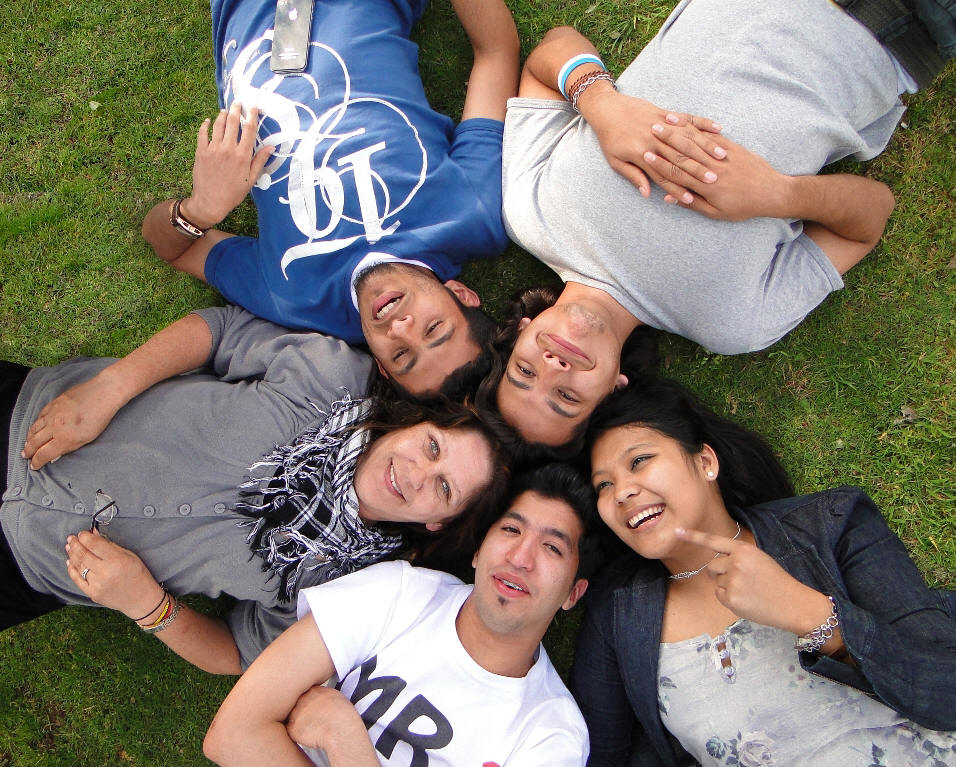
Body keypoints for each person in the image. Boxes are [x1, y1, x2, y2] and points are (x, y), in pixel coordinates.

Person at [492, 0, 956, 446]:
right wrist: (777, 194)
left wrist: (600, 102)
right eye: (567, 398)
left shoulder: (529, 214)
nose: (552, 367)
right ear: (614, 389)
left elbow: (550, 53)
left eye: (524, 372)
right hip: (895, 30)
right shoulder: (733, 325)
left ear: (520, 332)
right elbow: (872, 214)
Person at [1, 305, 509, 673]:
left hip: (27, 567)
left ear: (438, 522)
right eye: (433, 447)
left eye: (444, 488)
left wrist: (148, 605)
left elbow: (238, 653)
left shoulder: (344, 589)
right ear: (419, 422)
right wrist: (108, 388)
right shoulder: (334, 379)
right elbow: (219, 332)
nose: (417, 473)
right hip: (27, 418)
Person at [572, 375, 956, 766]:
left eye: (639, 461)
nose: (621, 492)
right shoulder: (617, 614)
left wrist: (811, 615)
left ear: (705, 462)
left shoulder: (829, 527)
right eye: (603, 485)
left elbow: (946, 692)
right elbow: (598, 756)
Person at [142, 0, 519, 397]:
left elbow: (173, 248)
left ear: (381, 368)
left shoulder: (297, 298)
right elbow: (496, 54)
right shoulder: (472, 217)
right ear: (461, 295)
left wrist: (199, 210)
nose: (401, 328)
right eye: (434, 329)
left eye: (401, 356)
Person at [203, 463, 605, 766]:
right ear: (478, 550)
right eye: (511, 530)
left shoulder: (551, 737)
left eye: (552, 548)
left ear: (572, 593)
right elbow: (232, 735)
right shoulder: (399, 593)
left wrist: (345, 741)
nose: (520, 558)